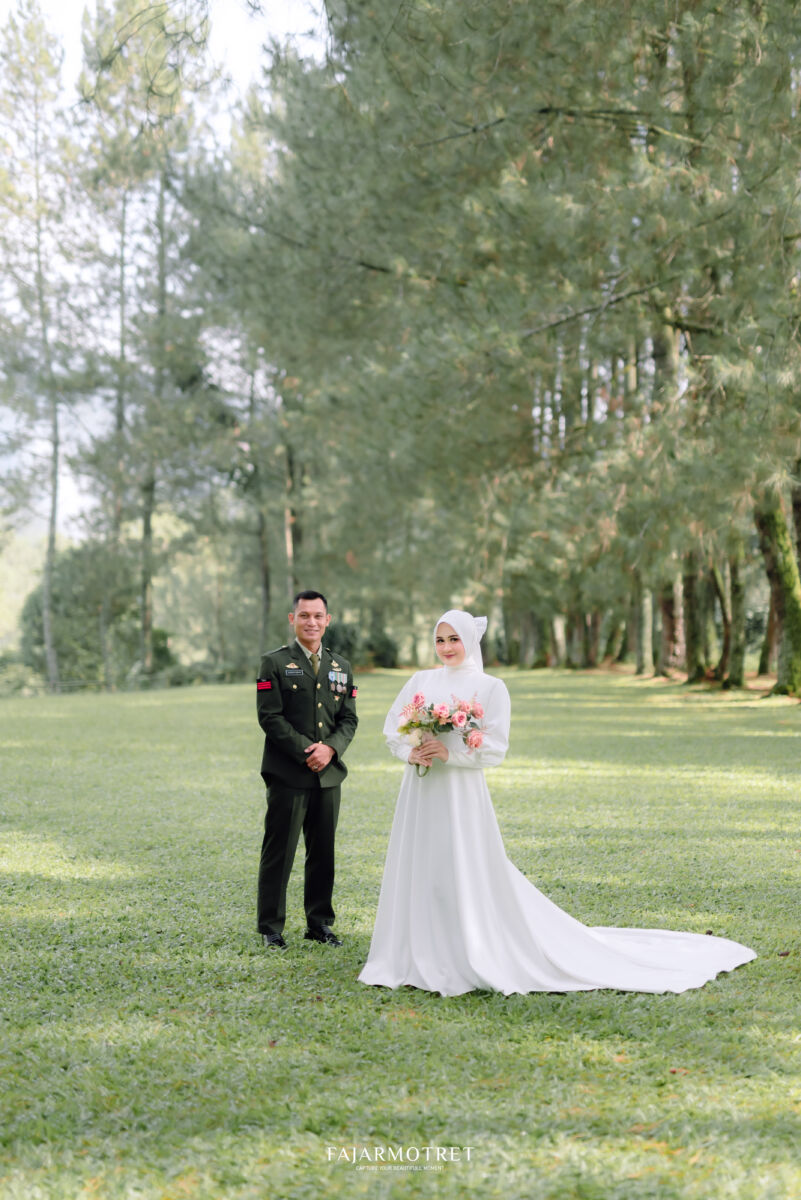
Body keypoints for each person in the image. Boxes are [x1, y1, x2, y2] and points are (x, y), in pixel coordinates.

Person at [358, 609, 756, 996]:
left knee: (461, 861)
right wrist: (411, 752)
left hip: (460, 792)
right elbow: (395, 726)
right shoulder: (421, 680)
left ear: (470, 641)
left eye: (454, 639)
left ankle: (465, 949)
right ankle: (418, 948)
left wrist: (451, 754)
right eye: (440, 640)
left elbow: (494, 749)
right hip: (421, 789)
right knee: (423, 860)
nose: (446, 647)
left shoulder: (491, 688)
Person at [256, 590, 358, 949]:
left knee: (323, 853)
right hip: (288, 774)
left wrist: (330, 749)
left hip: (328, 775)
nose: (311, 622)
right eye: (304, 615)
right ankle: (271, 928)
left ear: (327, 620)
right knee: (279, 852)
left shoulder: (341, 666)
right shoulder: (274, 663)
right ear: (292, 619)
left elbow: (348, 719)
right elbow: (270, 717)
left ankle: (319, 924)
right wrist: (307, 752)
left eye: (317, 616)